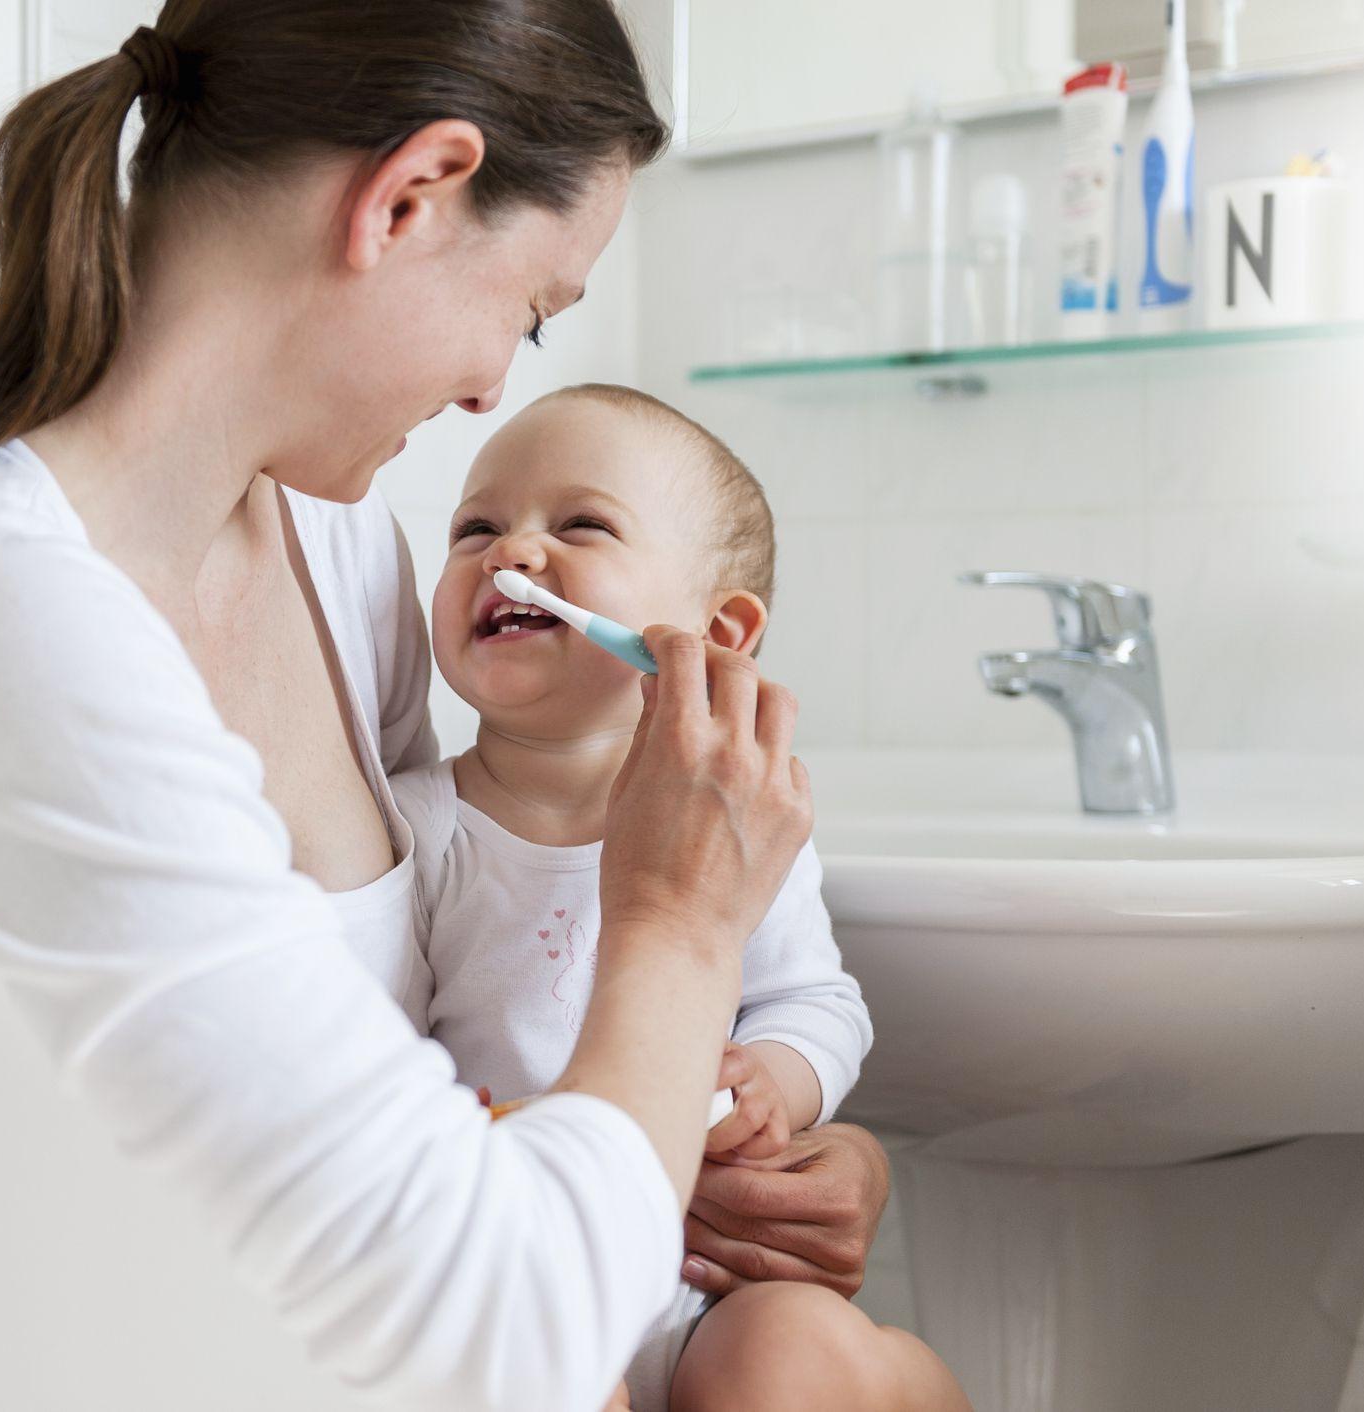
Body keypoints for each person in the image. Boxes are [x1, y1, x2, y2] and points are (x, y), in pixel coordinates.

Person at [0, 4, 907, 1407]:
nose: (490, 387)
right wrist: (680, 928)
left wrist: (759, 1170)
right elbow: (491, 1334)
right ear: (410, 197)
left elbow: (403, 1088)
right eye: (527, 309)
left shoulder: (339, 552)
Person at [394, 384, 968, 1411]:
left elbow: (819, 1005)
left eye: (579, 524)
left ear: (720, 632)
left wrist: (774, 1088)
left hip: (704, 1285)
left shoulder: (745, 821)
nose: (508, 552)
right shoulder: (418, 829)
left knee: (799, 1351)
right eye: (473, 527)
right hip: (528, 1266)